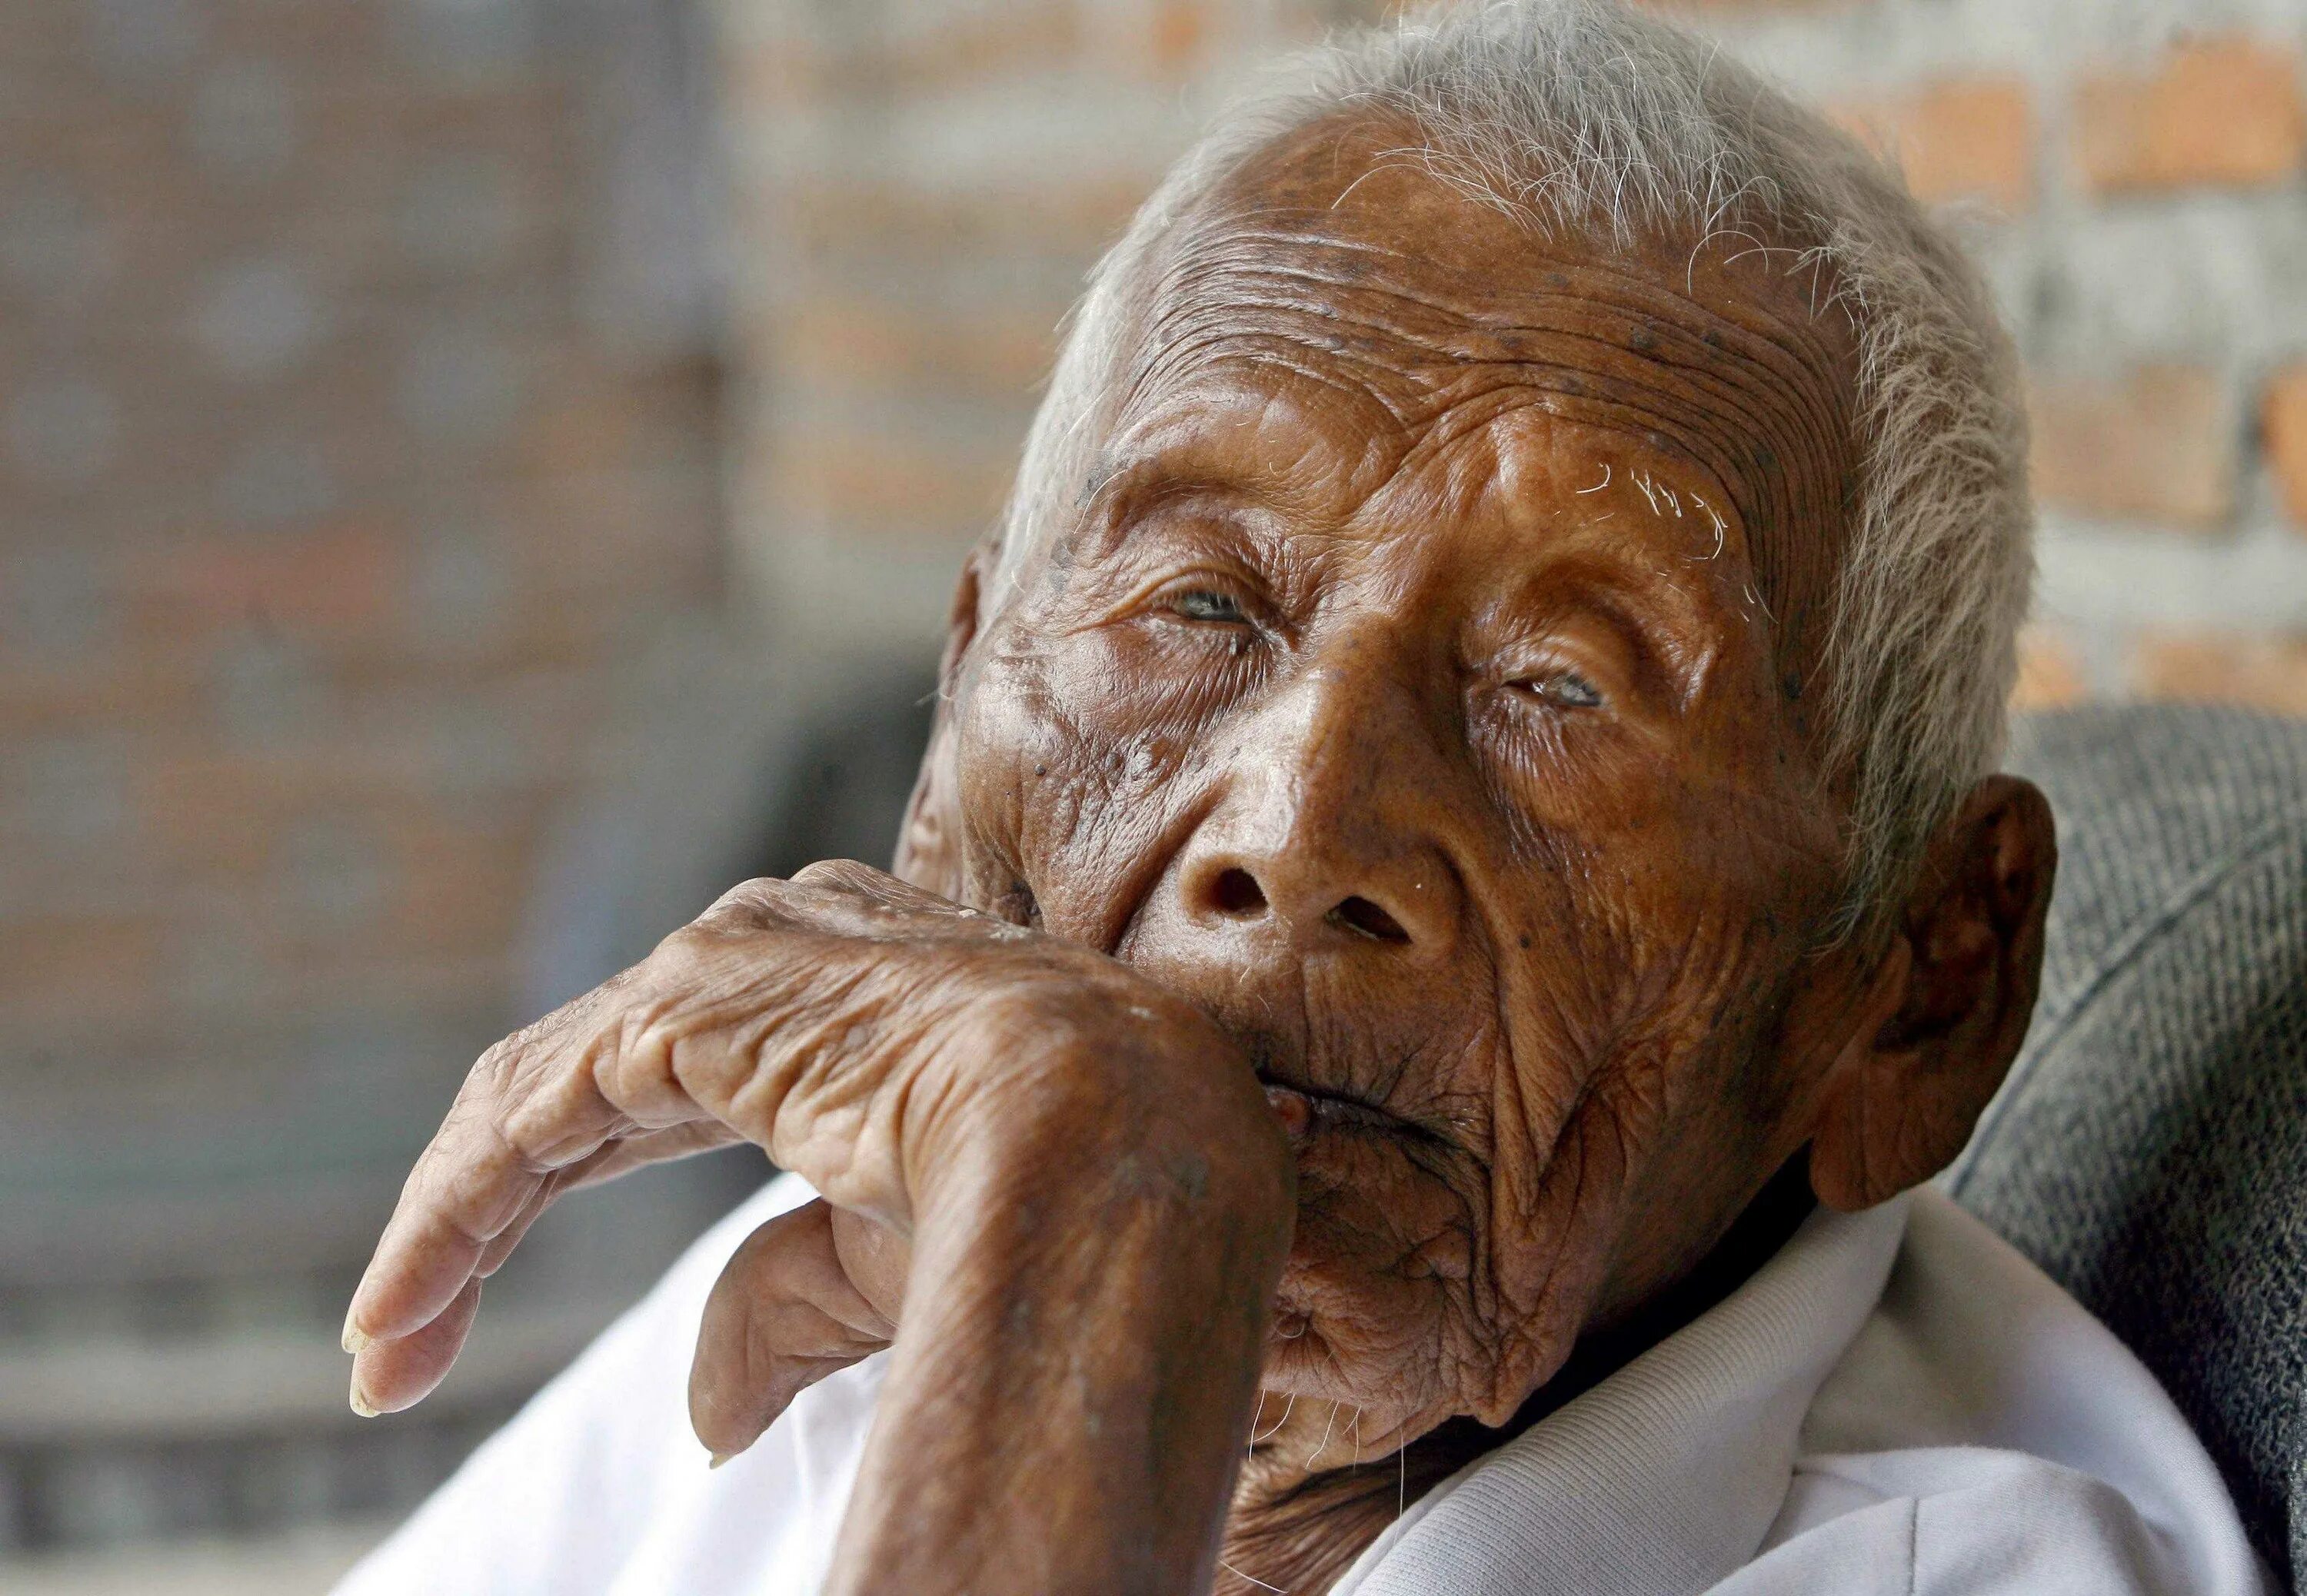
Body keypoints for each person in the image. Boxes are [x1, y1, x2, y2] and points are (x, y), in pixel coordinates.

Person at [333, 2, 2270, 1591]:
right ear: (951, 736)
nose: (1297, 825)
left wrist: (1099, 1242)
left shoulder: (1978, 1572)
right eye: (1199, 606)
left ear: (1921, 986)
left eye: (1559, 689)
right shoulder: (893, 1262)